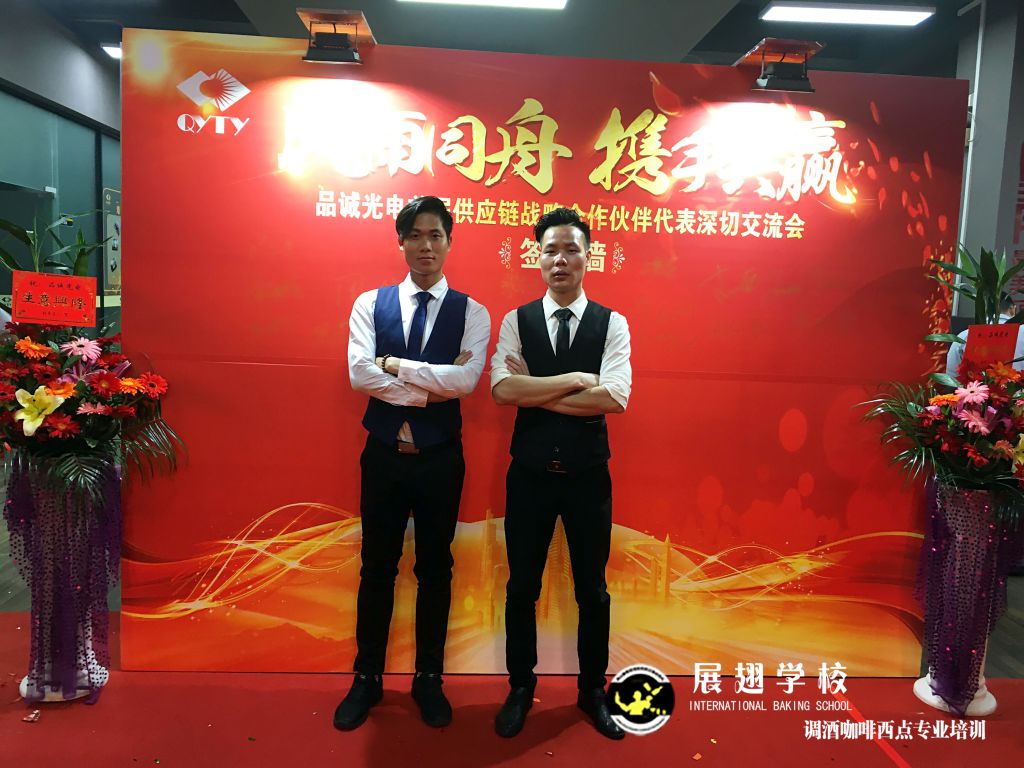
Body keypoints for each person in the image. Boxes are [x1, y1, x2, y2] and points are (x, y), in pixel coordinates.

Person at [334, 196, 490, 730]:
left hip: (441, 461)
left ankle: (428, 679)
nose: (426, 245)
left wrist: (396, 367)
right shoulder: (369, 303)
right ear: (401, 242)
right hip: (383, 457)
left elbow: (466, 382)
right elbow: (360, 374)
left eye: (436, 235)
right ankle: (367, 678)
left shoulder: (472, 312)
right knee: (376, 568)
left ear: (449, 242)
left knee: (435, 570)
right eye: (416, 235)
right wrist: (431, 389)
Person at [490, 207, 632, 740]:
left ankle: (593, 690)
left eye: (572, 249)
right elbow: (502, 389)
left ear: (588, 257)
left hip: (587, 478)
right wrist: (575, 380)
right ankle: (520, 687)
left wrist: (536, 392)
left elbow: (614, 398)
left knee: (592, 590)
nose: (561, 259)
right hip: (528, 477)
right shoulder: (516, 320)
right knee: (521, 586)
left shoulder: (613, 323)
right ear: (538, 257)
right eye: (551, 249)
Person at [945, 297, 1024, 375]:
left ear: (984, 309)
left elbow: (951, 375)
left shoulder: (964, 335)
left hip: (972, 383)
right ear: (1012, 309)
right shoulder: (1021, 332)